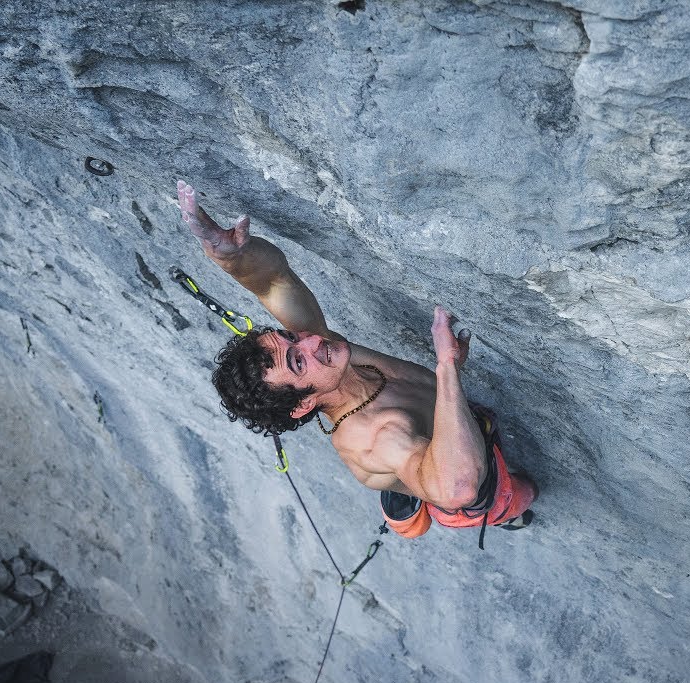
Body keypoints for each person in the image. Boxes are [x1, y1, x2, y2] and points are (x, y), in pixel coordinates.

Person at [177, 180, 535, 543]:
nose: (313, 339)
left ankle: (403, 486)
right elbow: (458, 488)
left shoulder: (325, 359)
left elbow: (272, 283)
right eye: (298, 361)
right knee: (523, 493)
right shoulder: (377, 437)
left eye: (292, 337)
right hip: (453, 475)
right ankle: (459, 506)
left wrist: (236, 260)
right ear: (303, 404)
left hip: (428, 438)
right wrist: (446, 369)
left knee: (431, 448)